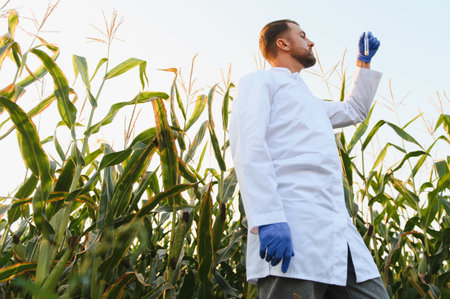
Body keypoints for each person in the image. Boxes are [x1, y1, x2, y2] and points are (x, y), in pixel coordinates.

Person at [228, 19, 390, 299]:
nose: (311, 41)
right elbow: (249, 146)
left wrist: (363, 63)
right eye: (302, 35)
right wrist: (267, 218)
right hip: (292, 230)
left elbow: (354, 110)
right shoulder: (260, 82)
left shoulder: (312, 104)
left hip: (339, 236)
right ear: (283, 43)